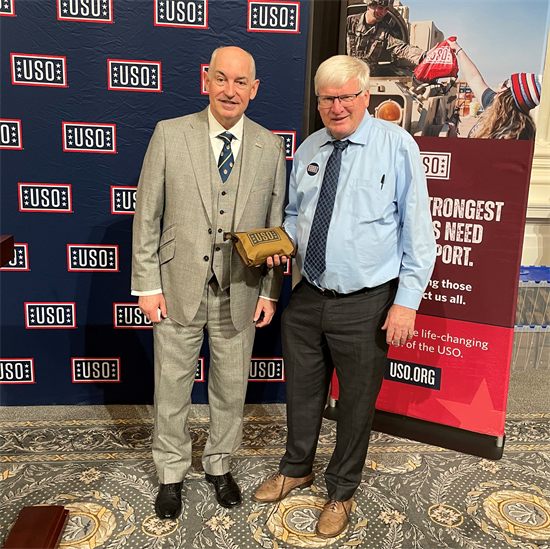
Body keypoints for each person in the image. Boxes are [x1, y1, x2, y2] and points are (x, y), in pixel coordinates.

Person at [253, 55, 436, 538]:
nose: (337, 107)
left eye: (346, 97)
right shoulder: (309, 149)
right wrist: (278, 243)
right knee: (302, 393)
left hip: (367, 301)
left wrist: (407, 302)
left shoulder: (397, 146)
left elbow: (419, 233)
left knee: (355, 404)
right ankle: (297, 468)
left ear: (366, 96)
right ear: (317, 103)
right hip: (308, 295)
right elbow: (295, 215)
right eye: (327, 99)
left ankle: (341, 490)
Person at [131, 46, 287, 519]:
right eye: (222, 79)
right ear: (206, 80)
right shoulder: (170, 134)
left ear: (254, 89)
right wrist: (147, 285)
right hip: (177, 285)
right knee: (171, 387)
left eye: (240, 82)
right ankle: (171, 473)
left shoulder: (269, 146)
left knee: (231, 388)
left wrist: (269, 291)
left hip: (240, 290)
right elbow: (147, 216)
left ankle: (220, 464)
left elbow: (275, 225)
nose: (230, 90)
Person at [449, 40, 541, 139]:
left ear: (508, 97)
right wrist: (457, 49)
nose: (500, 85)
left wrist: (453, 141)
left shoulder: (512, 134)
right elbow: (474, 79)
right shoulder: (495, 106)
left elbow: (475, 150)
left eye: (505, 84)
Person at [347, 0, 424, 76]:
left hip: (370, 77)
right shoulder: (350, 22)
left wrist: (424, 56)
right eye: (380, 8)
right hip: (347, 74)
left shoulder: (384, 30)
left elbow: (401, 48)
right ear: (370, 5)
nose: (383, 13)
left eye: (386, 9)